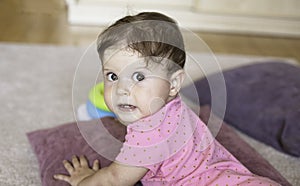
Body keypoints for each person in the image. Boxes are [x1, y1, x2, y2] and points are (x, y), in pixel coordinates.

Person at [54, 12, 280, 186]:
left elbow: (115, 179)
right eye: (112, 76)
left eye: (139, 76)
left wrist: (82, 180)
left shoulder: (149, 133)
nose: (122, 89)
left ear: (173, 84)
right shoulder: (169, 105)